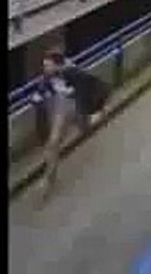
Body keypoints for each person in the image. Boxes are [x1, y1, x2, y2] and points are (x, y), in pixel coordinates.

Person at [32, 51, 110, 201]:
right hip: (64, 106)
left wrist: (95, 109)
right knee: (53, 143)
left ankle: (100, 115)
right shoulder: (49, 76)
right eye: (44, 66)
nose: (45, 69)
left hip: (78, 105)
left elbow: (93, 86)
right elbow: (43, 86)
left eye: (48, 66)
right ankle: (49, 178)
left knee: (85, 128)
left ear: (58, 65)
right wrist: (38, 96)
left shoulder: (74, 73)